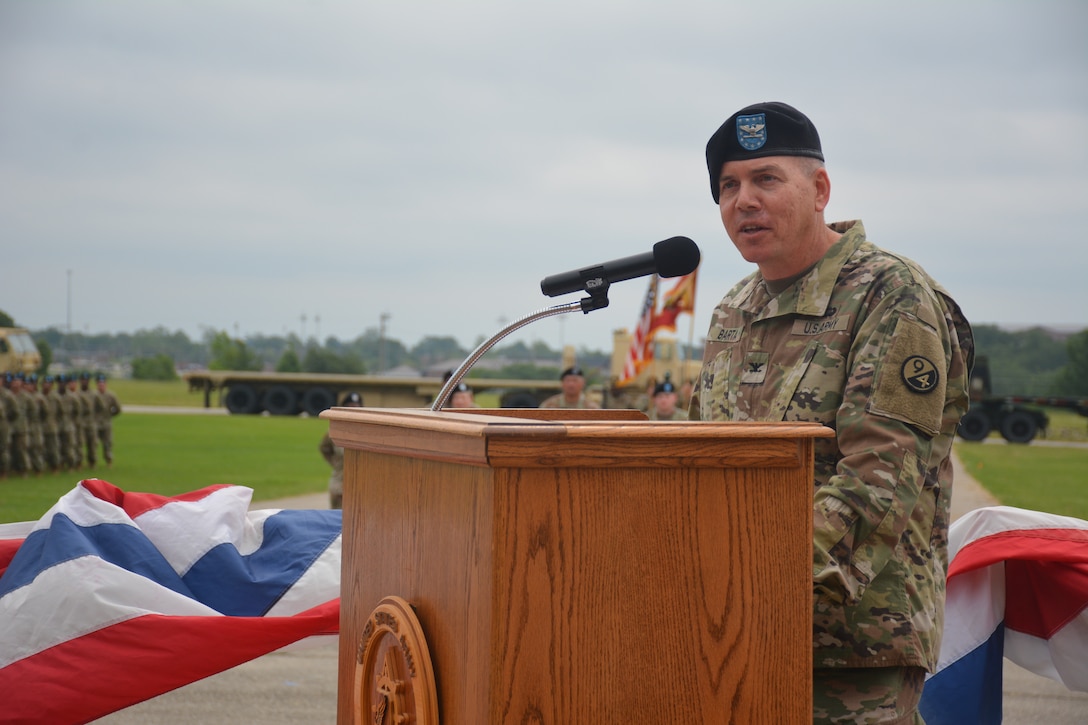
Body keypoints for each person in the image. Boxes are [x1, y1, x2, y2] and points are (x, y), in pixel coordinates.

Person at [691, 101, 974, 723]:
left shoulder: (890, 294)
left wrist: (748, 576)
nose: (744, 201)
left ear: (819, 189)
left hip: (852, 650)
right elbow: (697, 461)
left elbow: (880, 479)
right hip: (730, 637)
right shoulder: (734, 309)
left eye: (766, 179)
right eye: (728, 186)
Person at [319, 391, 363, 509]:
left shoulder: (365, 433)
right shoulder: (334, 431)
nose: (354, 409)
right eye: (351, 406)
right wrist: (335, 463)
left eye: (357, 406)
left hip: (361, 486)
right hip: (340, 484)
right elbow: (324, 448)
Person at [94, 374, 122, 467]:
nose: (101, 385)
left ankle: (108, 460)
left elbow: (118, 409)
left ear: (105, 384)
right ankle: (93, 462)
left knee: (107, 443)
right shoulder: (94, 395)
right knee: (94, 443)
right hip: (95, 423)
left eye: (103, 383)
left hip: (106, 423)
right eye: (99, 383)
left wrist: (110, 415)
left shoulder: (111, 395)